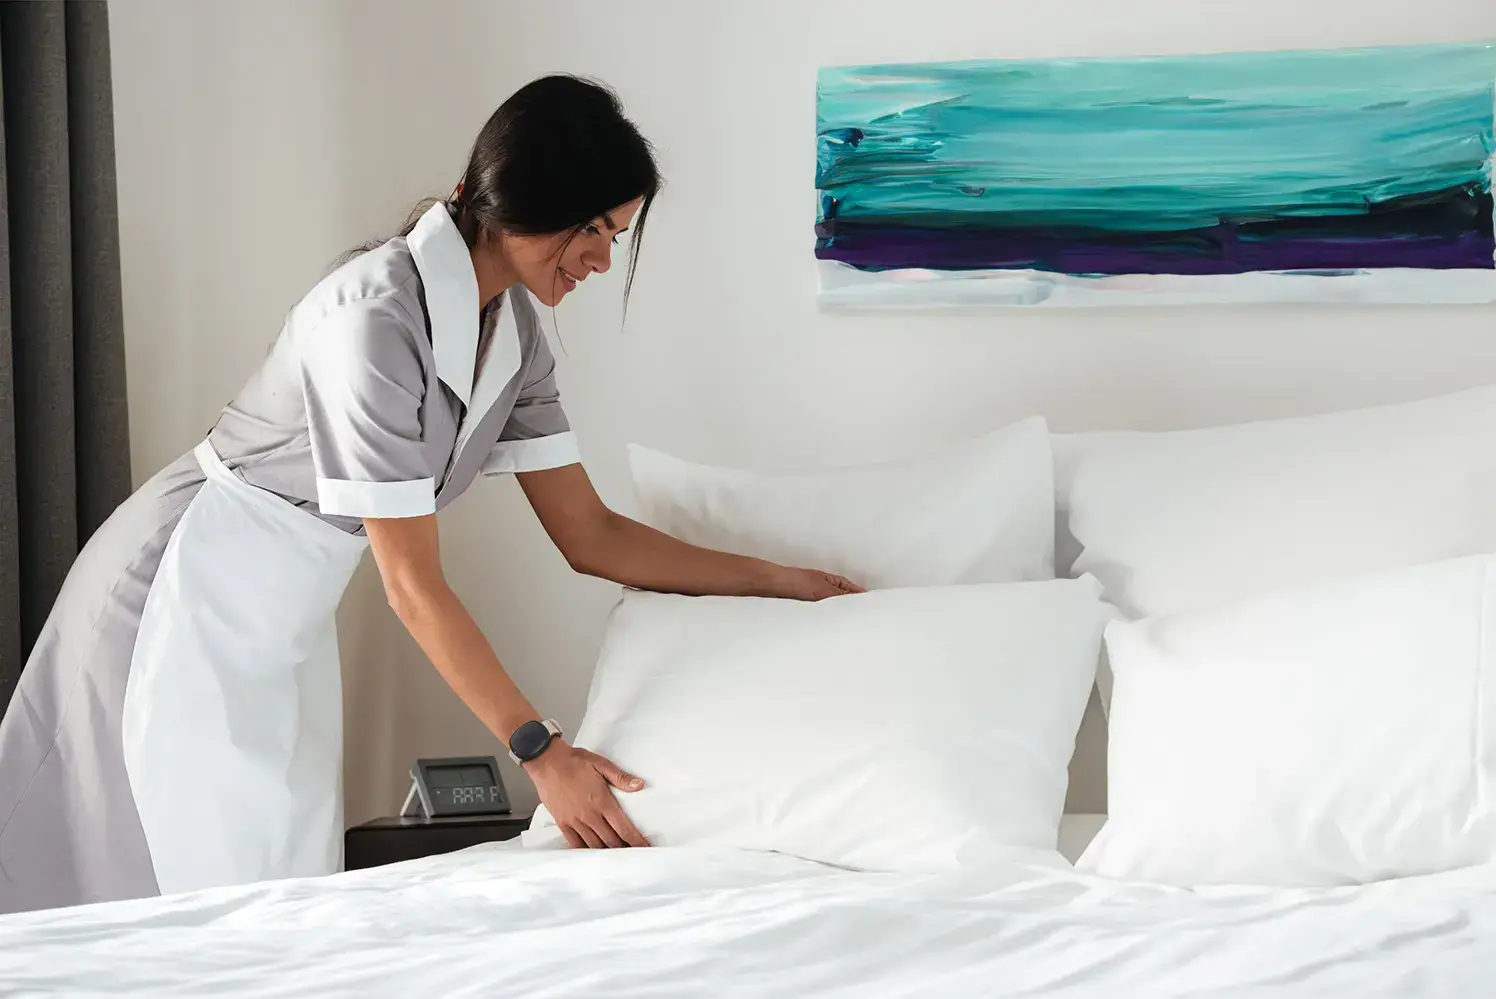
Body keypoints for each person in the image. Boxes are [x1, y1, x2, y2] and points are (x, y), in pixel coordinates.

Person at [0, 74, 861, 915]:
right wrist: (541, 749)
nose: (603, 259)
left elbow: (590, 533)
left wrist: (786, 582)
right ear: (527, 198)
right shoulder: (369, 315)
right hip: (184, 590)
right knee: (180, 881)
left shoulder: (515, 334)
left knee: (276, 888)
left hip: (285, 615)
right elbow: (413, 585)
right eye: (594, 227)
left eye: (617, 234)